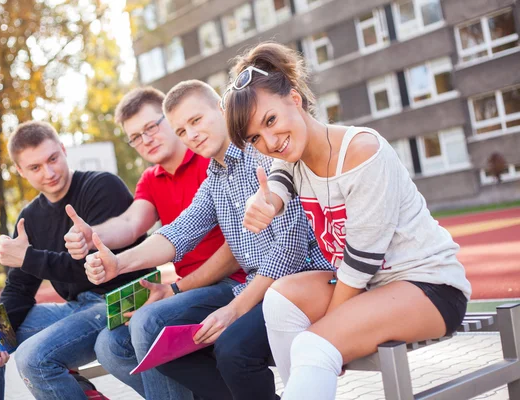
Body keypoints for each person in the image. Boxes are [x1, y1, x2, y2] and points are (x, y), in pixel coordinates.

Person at [225, 42, 472, 399]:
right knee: (278, 299)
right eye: (255, 138)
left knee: (312, 345)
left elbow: (360, 263)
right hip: (372, 287)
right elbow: (279, 182)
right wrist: (266, 203)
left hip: (428, 286)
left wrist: (328, 335)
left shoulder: (361, 152)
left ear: (295, 99)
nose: (270, 141)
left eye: (271, 121)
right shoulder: (291, 157)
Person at [84, 80, 334, 400]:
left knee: (233, 350)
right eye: (182, 131)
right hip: (260, 287)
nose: (192, 135)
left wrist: (233, 309)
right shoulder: (214, 177)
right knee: (162, 342)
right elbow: (180, 231)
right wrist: (118, 263)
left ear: (221, 109)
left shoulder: (260, 156)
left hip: (303, 280)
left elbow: (290, 248)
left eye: (196, 121)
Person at [63, 87, 247, 399]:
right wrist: (94, 238)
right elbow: (135, 225)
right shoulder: (152, 178)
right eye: (136, 136)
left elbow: (239, 249)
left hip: (234, 282)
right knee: (110, 345)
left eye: (151, 127)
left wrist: (176, 289)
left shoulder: (210, 159)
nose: (145, 139)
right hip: (194, 288)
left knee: (148, 322)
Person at [0, 121, 150, 400]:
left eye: (52, 159)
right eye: (35, 168)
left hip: (121, 299)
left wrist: (27, 257)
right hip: (78, 308)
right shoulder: (31, 216)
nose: (49, 173)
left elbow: (92, 268)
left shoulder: (102, 186)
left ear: (63, 150)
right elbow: (19, 289)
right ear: (20, 170)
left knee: (33, 359)